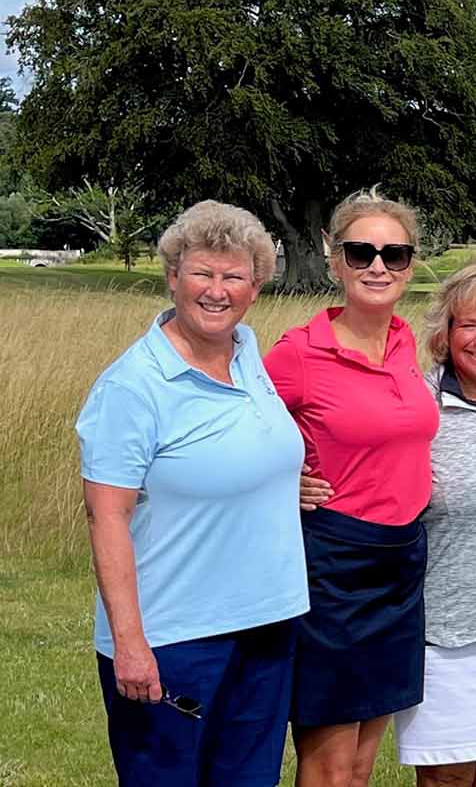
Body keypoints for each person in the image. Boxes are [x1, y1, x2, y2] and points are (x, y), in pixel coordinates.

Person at [300, 259, 476, 786]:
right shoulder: (413, 403)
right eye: (468, 324)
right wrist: (289, 479)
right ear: (444, 333)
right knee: (445, 777)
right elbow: (333, 436)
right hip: (444, 630)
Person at [78, 200, 308, 786]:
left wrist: (279, 482)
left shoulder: (248, 352)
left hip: (267, 621)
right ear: (173, 277)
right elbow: (107, 519)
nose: (216, 291)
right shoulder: (132, 387)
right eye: (202, 273)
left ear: (255, 287)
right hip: (175, 636)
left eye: (234, 276)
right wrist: (130, 643)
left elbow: (242, 454)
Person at [265, 189, 440, 787]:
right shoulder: (298, 353)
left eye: (395, 254)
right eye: (361, 251)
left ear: (411, 264)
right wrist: (277, 485)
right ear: (333, 257)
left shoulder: (405, 344)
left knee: (364, 759)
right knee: (330, 763)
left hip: (400, 565)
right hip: (334, 566)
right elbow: (234, 435)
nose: (378, 267)